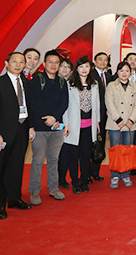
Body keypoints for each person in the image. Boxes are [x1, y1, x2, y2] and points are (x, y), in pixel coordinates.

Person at [0, 51, 36, 219]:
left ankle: (14, 199)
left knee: (16, 167)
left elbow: (29, 107)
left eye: (21, 62)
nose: (18, 65)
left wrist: (30, 126)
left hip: (22, 130)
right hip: (2, 133)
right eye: (14, 61)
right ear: (6, 63)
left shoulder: (26, 83)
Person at [27, 50, 68, 205]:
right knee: (37, 160)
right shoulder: (37, 80)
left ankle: (53, 188)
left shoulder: (62, 82)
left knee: (53, 159)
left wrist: (55, 118)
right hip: (39, 128)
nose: (53, 65)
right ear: (44, 63)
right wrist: (46, 118)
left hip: (56, 127)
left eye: (56, 62)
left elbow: (64, 103)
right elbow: (33, 103)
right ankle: (34, 191)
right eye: (50, 62)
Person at [63, 56, 100, 194]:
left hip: (89, 127)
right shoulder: (69, 84)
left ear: (90, 68)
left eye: (87, 66)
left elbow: (97, 104)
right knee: (73, 156)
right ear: (76, 69)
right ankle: (75, 182)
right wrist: (66, 124)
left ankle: (84, 180)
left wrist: (97, 121)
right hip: (73, 126)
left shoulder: (94, 84)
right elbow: (65, 106)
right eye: (81, 66)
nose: (84, 69)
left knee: (85, 156)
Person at [105, 62, 136, 188]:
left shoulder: (135, 86)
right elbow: (109, 103)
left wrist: (132, 119)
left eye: (127, 71)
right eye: (121, 70)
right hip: (116, 124)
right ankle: (115, 175)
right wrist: (118, 119)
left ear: (130, 72)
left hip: (130, 124)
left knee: (127, 150)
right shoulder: (111, 85)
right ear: (117, 72)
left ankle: (126, 174)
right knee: (116, 150)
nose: (124, 73)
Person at [90, 52, 111, 182]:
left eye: (105, 60)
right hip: (93, 116)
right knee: (90, 144)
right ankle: (87, 173)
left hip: (105, 117)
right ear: (95, 61)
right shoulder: (90, 75)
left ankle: (95, 172)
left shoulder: (109, 76)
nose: (103, 62)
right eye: (100, 59)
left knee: (100, 143)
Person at [57, 57, 74, 188]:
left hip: (69, 123)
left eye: (68, 67)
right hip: (56, 123)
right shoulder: (53, 83)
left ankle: (62, 178)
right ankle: (56, 178)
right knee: (56, 153)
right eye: (62, 66)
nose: (65, 69)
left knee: (66, 152)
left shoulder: (72, 84)